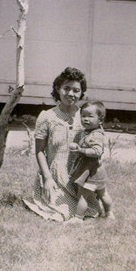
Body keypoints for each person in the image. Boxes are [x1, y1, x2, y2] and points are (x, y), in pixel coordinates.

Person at [23, 67, 101, 222]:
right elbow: (39, 151)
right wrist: (47, 178)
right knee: (61, 211)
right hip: (55, 175)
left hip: (80, 174)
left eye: (76, 90)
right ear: (58, 89)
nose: (71, 94)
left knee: (93, 210)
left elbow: (97, 142)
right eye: (66, 88)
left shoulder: (86, 116)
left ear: (81, 93)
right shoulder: (47, 117)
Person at [65, 100, 114, 225]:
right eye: (83, 116)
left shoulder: (95, 135)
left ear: (100, 120)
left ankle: (78, 217)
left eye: (90, 116)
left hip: (90, 171)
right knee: (103, 193)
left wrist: (81, 150)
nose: (85, 119)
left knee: (82, 194)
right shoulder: (88, 132)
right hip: (98, 171)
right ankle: (109, 213)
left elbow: (97, 151)